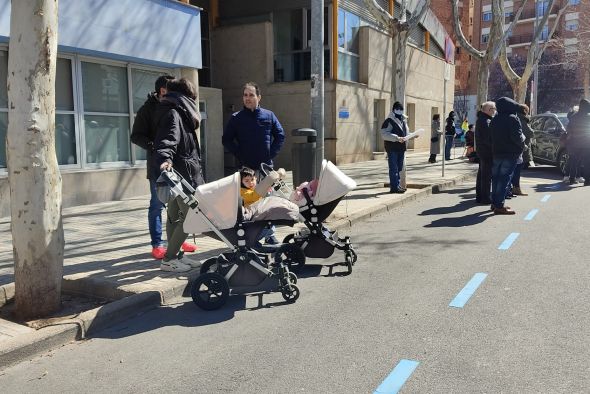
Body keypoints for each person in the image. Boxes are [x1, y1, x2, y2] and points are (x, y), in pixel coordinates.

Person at [130, 75, 198, 260]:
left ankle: (176, 241)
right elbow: (136, 136)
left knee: (177, 209)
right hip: (159, 167)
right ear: (163, 91)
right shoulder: (148, 110)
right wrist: (156, 147)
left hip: (177, 168)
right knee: (157, 205)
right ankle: (157, 244)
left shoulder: (175, 107)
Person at [154, 78, 205, 272]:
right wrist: (165, 159)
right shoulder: (174, 113)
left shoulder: (177, 111)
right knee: (191, 215)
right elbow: (168, 140)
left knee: (175, 217)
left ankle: (176, 256)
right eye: (192, 96)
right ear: (184, 96)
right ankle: (169, 258)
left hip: (179, 172)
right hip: (180, 174)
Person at [222, 82, 286, 173]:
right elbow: (226, 139)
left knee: (266, 188)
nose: (247, 98)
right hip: (245, 169)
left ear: (259, 97)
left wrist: (270, 154)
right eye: (245, 95)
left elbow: (280, 136)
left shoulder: (269, 115)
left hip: (265, 168)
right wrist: (239, 154)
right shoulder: (236, 118)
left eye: (251, 95)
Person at [490, 97, 525, 215]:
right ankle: (499, 205)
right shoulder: (513, 119)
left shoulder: (495, 119)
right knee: (504, 179)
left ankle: (495, 203)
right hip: (510, 153)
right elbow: (517, 137)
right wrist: (522, 144)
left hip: (497, 152)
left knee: (496, 178)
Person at [239, 167, 279, 245]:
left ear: (256, 179)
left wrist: (267, 191)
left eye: (252, 180)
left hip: (259, 212)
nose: (250, 183)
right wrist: (263, 189)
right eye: (246, 181)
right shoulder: (242, 191)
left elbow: (261, 197)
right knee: (265, 222)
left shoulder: (255, 189)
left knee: (272, 213)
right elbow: (253, 196)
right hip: (250, 215)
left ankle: (269, 236)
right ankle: (253, 239)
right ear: (241, 182)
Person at [381, 101, 409, 193]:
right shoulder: (389, 121)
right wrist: (397, 138)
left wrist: (412, 135)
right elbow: (384, 134)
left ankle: (397, 185)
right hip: (392, 148)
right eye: (398, 109)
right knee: (394, 168)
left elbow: (404, 133)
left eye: (401, 109)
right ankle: (394, 187)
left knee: (399, 168)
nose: (400, 111)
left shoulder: (403, 120)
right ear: (393, 110)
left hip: (401, 148)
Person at [565, 98, 590, 185]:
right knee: (587, 162)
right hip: (587, 143)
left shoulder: (573, 117)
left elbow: (568, 129)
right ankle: (587, 181)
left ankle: (572, 179)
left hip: (575, 143)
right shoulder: (588, 117)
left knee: (574, 161)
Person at [475, 102, 495, 204]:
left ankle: (480, 196)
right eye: (493, 109)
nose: (494, 111)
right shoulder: (485, 121)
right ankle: (485, 197)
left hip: (482, 151)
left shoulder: (482, 119)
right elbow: (488, 139)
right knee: (486, 176)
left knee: (482, 175)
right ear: (489, 110)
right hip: (486, 152)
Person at [519, 104, 535, 169]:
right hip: (523, 146)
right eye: (527, 111)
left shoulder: (518, 118)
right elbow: (530, 133)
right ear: (524, 111)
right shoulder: (522, 119)